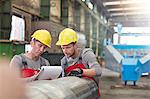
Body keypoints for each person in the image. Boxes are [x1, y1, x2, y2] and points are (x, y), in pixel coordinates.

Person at [56, 28, 102, 98]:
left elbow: (98, 71)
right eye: (63, 48)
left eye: (68, 47)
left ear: (75, 45)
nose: (65, 51)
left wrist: (81, 71)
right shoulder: (64, 61)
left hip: (90, 94)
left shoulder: (86, 54)